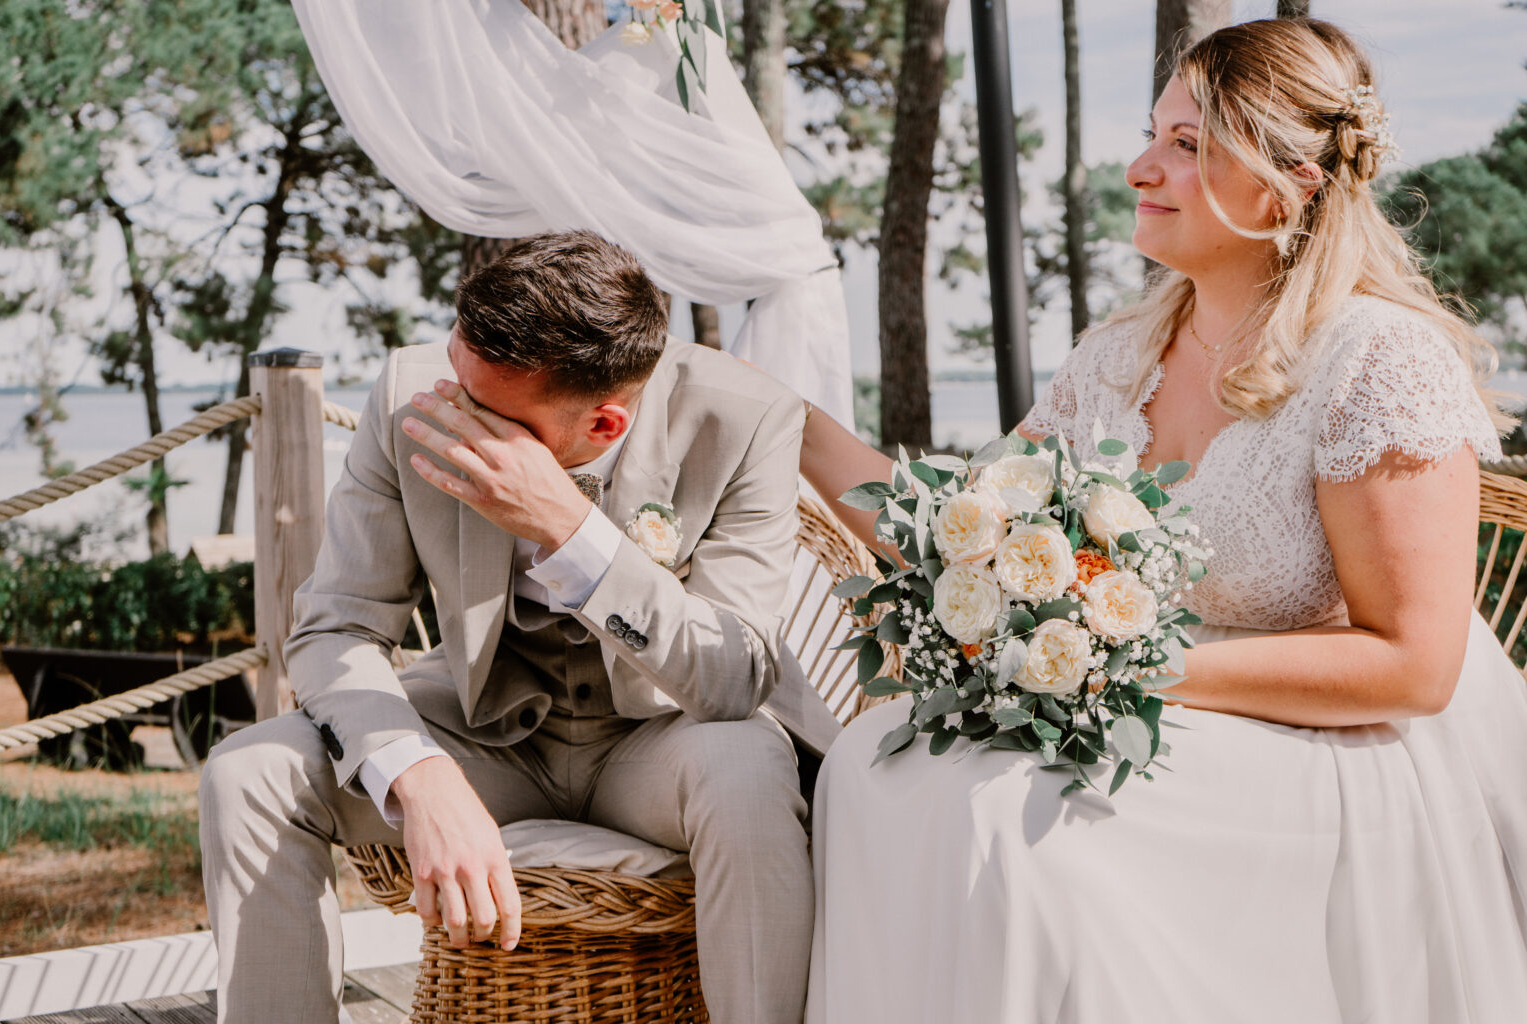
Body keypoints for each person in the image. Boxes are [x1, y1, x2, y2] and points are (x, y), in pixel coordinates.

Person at [802, 19, 1527, 1024]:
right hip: (1144, 708)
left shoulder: (1376, 361)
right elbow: (961, 527)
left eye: (1188, 144)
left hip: (1325, 742)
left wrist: (1127, 667)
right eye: (1156, 134)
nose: (1141, 166)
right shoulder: (1119, 355)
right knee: (872, 767)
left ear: (1291, 181)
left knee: (1005, 817)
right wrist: (782, 423)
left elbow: (1413, 666)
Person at [198, 230, 839, 1024]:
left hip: (661, 739)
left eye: (485, 412)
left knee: (747, 768)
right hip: (479, 734)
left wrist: (573, 531)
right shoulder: (412, 392)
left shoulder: (742, 418)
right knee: (247, 773)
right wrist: (419, 776)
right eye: (456, 377)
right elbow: (336, 627)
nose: (451, 410)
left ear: (604, 426)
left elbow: (734, 675)